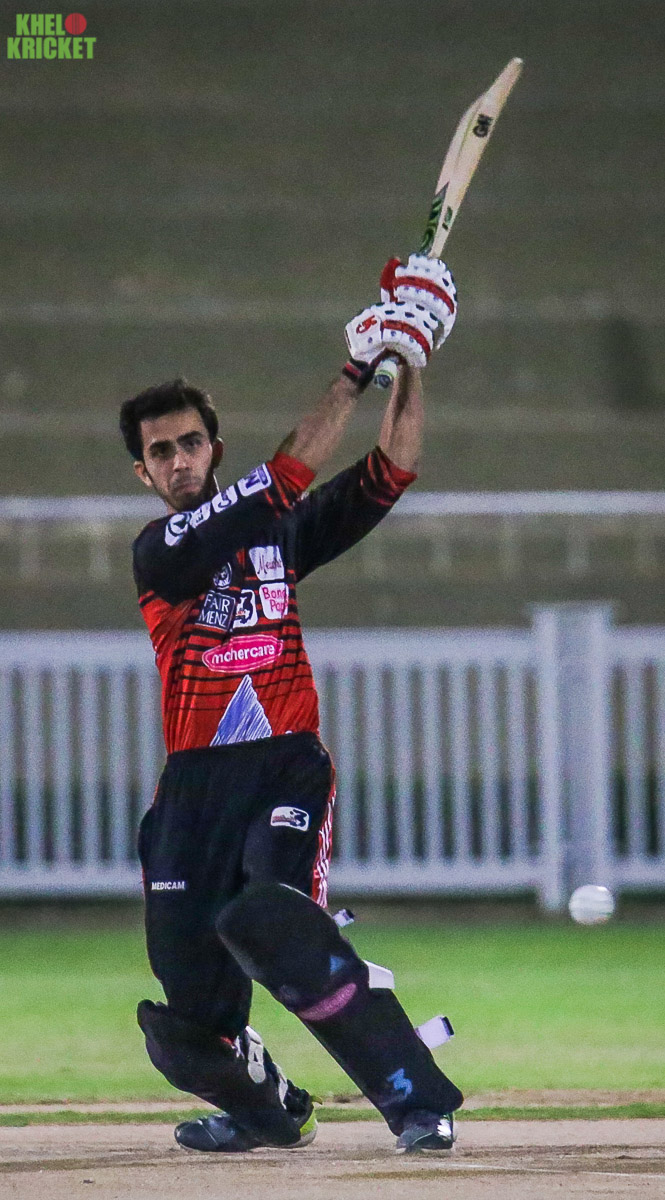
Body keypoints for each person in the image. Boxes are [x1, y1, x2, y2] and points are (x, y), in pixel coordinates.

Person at [119, 254, 463, 1155]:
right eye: (161, 451)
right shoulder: (159, 553)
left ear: (212, 447)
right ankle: (269, 1112)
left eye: (191, 443)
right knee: (184, 1019)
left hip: (281, 763)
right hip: (190, 791)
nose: (179, 460)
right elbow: (281, 479)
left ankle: (416, 1102)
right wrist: (354, 367)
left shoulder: (276, 532)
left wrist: (408, 360)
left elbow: (388, 469)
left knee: (277, 921)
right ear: (143, 473)